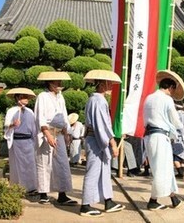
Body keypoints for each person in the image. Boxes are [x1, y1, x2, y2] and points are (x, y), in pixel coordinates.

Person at [80, 69, 126, 217]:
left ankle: (108, 200)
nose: (111, 86)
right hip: (96, 139)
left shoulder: (97, 100)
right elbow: (102, 126)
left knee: (104, 171)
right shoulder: (98, 101)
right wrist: (112, 143)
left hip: (96, 138)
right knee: (93, 171)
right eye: (109, 83)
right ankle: (85, 205)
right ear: (102, 84)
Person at [143, 70, 184, 211]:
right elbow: (175, 120)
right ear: (170, 88)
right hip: (160, 136)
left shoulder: (149, 98)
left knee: (163, 168)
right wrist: (180, 130)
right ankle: (153, 200)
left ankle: (173, 197)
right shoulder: (167, 99)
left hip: (150, 135)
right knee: (162, 169)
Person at [34, 71, 77, 205]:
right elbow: (40, 117)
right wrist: (47, 135)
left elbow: (64, 116)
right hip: (47, 132)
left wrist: (66, 132)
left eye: (60, 82)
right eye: (57, 82)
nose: (60, 84)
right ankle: (43, 193)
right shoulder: (43, 96)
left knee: (62, 163)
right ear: (50, 83)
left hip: (59, 133)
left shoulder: (60, 97)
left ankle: (62, 194)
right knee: (45, 163)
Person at [4, 87, 38, 194]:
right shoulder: (12, 111)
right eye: (24, 97)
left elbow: (34, 127)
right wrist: (13, 124)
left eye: (27, 97)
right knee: (17, 165)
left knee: (30, 164)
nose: (26, 99)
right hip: (17, 141)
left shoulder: (30, 112)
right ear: (18, 98)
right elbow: (6, 126)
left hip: (29, 141)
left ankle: (31, 187)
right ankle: (18, 187)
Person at [172, 104, 184, 179]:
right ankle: (181, 173)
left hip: (176, 138)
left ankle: (180, 173)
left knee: (175, 158)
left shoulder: (175, 116)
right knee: (182, 158)